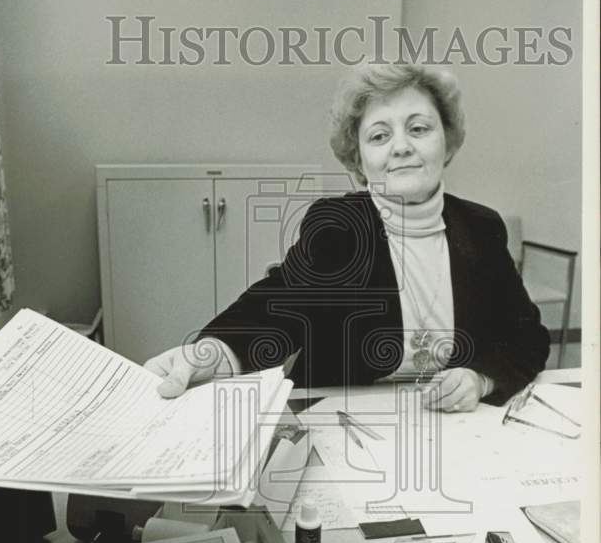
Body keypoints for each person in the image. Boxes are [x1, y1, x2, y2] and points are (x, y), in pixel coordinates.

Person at [145, 64, 550, 412]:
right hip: (344, 423)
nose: (402, 147)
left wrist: (481, 379)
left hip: (451, 429)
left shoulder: (480, 227)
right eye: (379, 136)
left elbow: (526, 338)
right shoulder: (338, 226)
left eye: (419, 128)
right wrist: (214, 353)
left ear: (447, 140)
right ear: (359, 162)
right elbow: (278, 307)